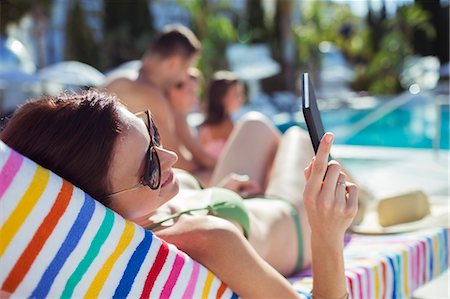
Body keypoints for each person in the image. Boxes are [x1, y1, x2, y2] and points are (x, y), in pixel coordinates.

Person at [0, 90, 357, 299]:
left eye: (151, 134)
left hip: (222, 193)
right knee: (296, 135)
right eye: (150, 168)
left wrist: (217, 192)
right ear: (100, 204)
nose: (169, 157)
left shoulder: (137, 205)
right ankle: (360, 199)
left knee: (254, 124)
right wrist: (327, 233)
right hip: (289, 219)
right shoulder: (208, 240)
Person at [104, 24, 217, 173]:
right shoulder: (146, 93)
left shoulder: (126, 78)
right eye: (186, 69)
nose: (184, 77)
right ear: (172, 64)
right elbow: (177, 164)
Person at [199, 70, 244, 160]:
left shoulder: (205, 128)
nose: (241, 99)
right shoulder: (228, 126)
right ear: (222, 98)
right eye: (236, 95)